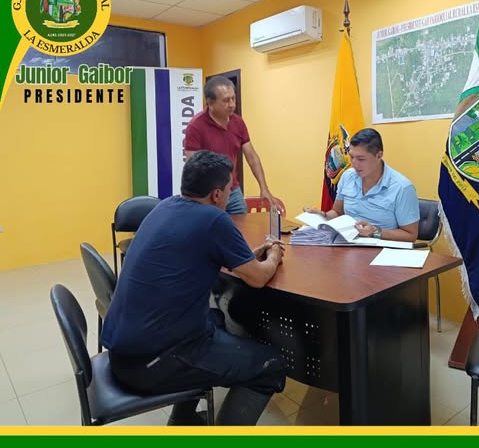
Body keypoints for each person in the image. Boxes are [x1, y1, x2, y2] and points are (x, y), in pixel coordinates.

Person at [101, 150, 287, 426]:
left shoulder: (165, 206)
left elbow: (197, 256)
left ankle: (183, 421)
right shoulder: (214, 219)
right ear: (216, 194)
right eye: (229, 189)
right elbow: (258, 278)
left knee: (216, 319)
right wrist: (274, 255)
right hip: (152, 363)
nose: (230, 195)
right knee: (270, 365)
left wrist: (247, 257)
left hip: (124, 352)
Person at [184, 75, 281, 215]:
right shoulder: (196, 126)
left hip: (232, 190)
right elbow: (193, 166)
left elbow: (252, 157)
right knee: (212, 226)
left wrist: (264, 188)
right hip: (208, 194)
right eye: (226, 100)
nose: (232, 104)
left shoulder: (238, 122)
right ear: (210, 103)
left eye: (233, 98)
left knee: (241, 225)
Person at [304, 128, 419, 242]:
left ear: (379, 156)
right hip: (346, 244)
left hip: (381, 247)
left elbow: (410, 235)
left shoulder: (402, 188)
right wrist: (322, 215)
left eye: (361, 159)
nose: (354, 164)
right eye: (351, 157)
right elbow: (337, 212)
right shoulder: (347, 176)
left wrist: (376, 231)